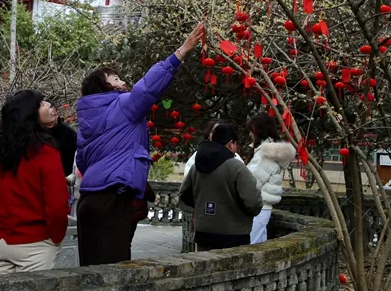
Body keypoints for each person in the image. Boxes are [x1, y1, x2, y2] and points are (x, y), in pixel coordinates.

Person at [75, 23, 204, 266]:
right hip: (113, 199)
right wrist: (181, 52)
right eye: (116, 78)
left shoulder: (86, 122)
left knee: (90, 271)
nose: (123, 82)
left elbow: (82, 161)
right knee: (114, 271)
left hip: (89, 201)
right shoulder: (123, 105)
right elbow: (147, 88)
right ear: (108, 86)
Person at [0, 90, 70, 274]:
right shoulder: (46, 152)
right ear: (30, 113)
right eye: (42, 103)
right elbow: (56, 205)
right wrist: (56, 237)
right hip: (34, 242)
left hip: (0, 241)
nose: (48, 106)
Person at [180, 123, 263, 251]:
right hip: (233, 233)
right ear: (231, 143)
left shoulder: (196, 166)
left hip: (203, 230)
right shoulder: (236, 167)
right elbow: (253, 202)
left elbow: (184, 194)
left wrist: (202, 207)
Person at [246, 113, 296, 244]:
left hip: (258, 207)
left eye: (252, 130)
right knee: (259, 244)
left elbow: (251, 182)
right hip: (263, 207)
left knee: (250, 246)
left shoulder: (265, 155)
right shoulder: (268, 152)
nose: (250, 134)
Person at [41, 106, 77, 177]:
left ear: (56, 113)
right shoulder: (37, 133)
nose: (51, 112)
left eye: (51, 107)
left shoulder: (68, 133)